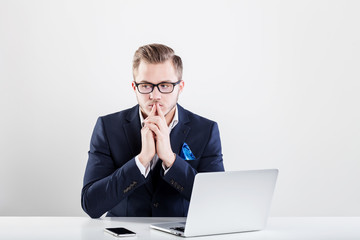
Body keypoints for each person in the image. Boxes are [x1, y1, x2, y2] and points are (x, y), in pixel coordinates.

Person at [81, 43, 224, 218]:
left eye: (165, 86)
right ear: (135, 87)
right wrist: (141, 161)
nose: (155, 96)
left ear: (180, 86)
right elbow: (91, 204)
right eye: (146, 85)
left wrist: (171, 160)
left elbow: (217, 202)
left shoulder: (206, 130)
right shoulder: (108, 127)